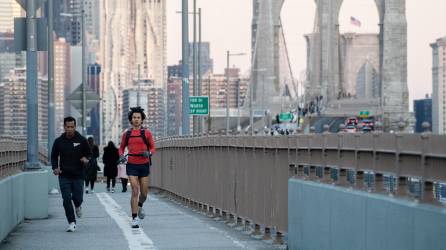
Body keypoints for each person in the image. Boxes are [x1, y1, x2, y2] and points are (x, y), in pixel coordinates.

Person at [51, 116, 91, 232]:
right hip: (64, 175)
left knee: (77, 198)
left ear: (75, 127)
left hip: (78, 174)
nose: (70, 129)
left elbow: (89, 154)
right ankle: (72, 222)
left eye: (72, 127)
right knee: (66, 198)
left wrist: (86, 158)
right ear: (64, 127)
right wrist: (55, 168)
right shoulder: (59, 141)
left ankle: (78, 206)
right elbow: (54, 156)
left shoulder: (82, 139)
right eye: (67, 127)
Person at [118, 107, 155, 228]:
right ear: (131, 119)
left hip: (144, 164)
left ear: (142, 119)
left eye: (138, 117)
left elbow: (153, 148)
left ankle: (140, 205)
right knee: (134, 190)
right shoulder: (127, 134)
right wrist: (122, 156)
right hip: (132, 164)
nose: (136, 119)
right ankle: (134, 218)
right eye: (134, 117)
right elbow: (121, 147)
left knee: (144, 193)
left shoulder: (147, 133)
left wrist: (149, 153)